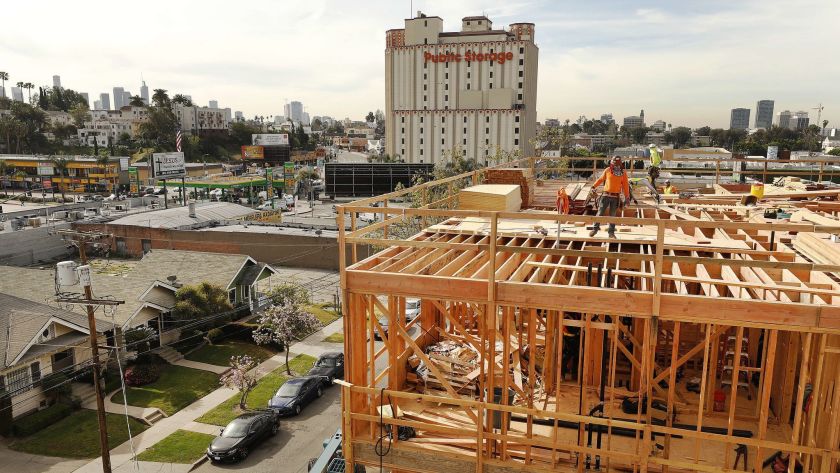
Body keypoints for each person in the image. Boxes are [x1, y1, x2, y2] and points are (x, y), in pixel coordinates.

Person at [590, 156, 630, 239]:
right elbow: (601, 179)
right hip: (605, 195)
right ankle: (595, 229)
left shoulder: (623, 173)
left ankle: (611, 233)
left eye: (617, 164)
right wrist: (593, 186)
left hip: (615, 197)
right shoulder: (608, 170)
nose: (616, 166)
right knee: (600, 212)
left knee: (613, 215)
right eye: (614, 164)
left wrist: (627, 197)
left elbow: (625, 186)